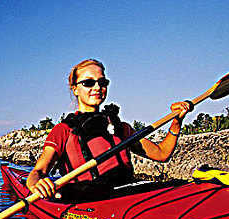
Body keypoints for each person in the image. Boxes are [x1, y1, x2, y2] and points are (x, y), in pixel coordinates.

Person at [26, 58, 192, 200]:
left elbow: (162, 154)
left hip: (127, 194)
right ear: (75, 89)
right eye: (88, 83)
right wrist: (36, 184)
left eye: (102, 82)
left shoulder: (121, 127)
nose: (97, 87)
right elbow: (38, 172)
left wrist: (176, 122)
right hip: (86, 201)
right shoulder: (63, 130)